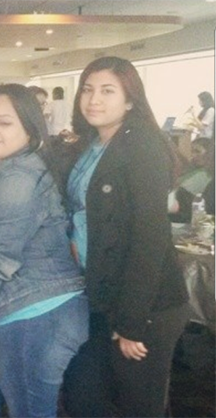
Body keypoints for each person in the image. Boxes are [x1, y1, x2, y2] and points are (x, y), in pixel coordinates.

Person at [62, 56, 190, 418]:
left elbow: (149, 240)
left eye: (107, 91)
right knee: (86, 395)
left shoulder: (143, 146)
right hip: (101, 294)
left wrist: (132, 322)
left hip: (145, 305)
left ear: (130, 99)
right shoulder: (91, 145)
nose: (93, 99)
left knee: (139, 404)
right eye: (87, 90)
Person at [0, 83, 88, 418]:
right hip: (2, 308)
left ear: (30, 129)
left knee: (29, 411)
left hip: (36, 311)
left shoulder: (19, 175)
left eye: (5, 122)